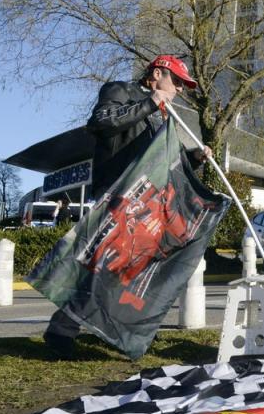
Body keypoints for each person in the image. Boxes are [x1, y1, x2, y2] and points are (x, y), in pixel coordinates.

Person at [43, 54, 209, 359]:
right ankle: (61, 331)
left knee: (125, 273)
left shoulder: (162, 113)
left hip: (144, 201)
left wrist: (194, 159)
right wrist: (150, 103)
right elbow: (100, 122)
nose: (181, 90)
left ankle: (98, 331)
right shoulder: (121, 90)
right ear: (158, 74)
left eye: (185, 86)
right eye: (178, 82)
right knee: (104, 266)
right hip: (117, 194)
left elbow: (163, 160)